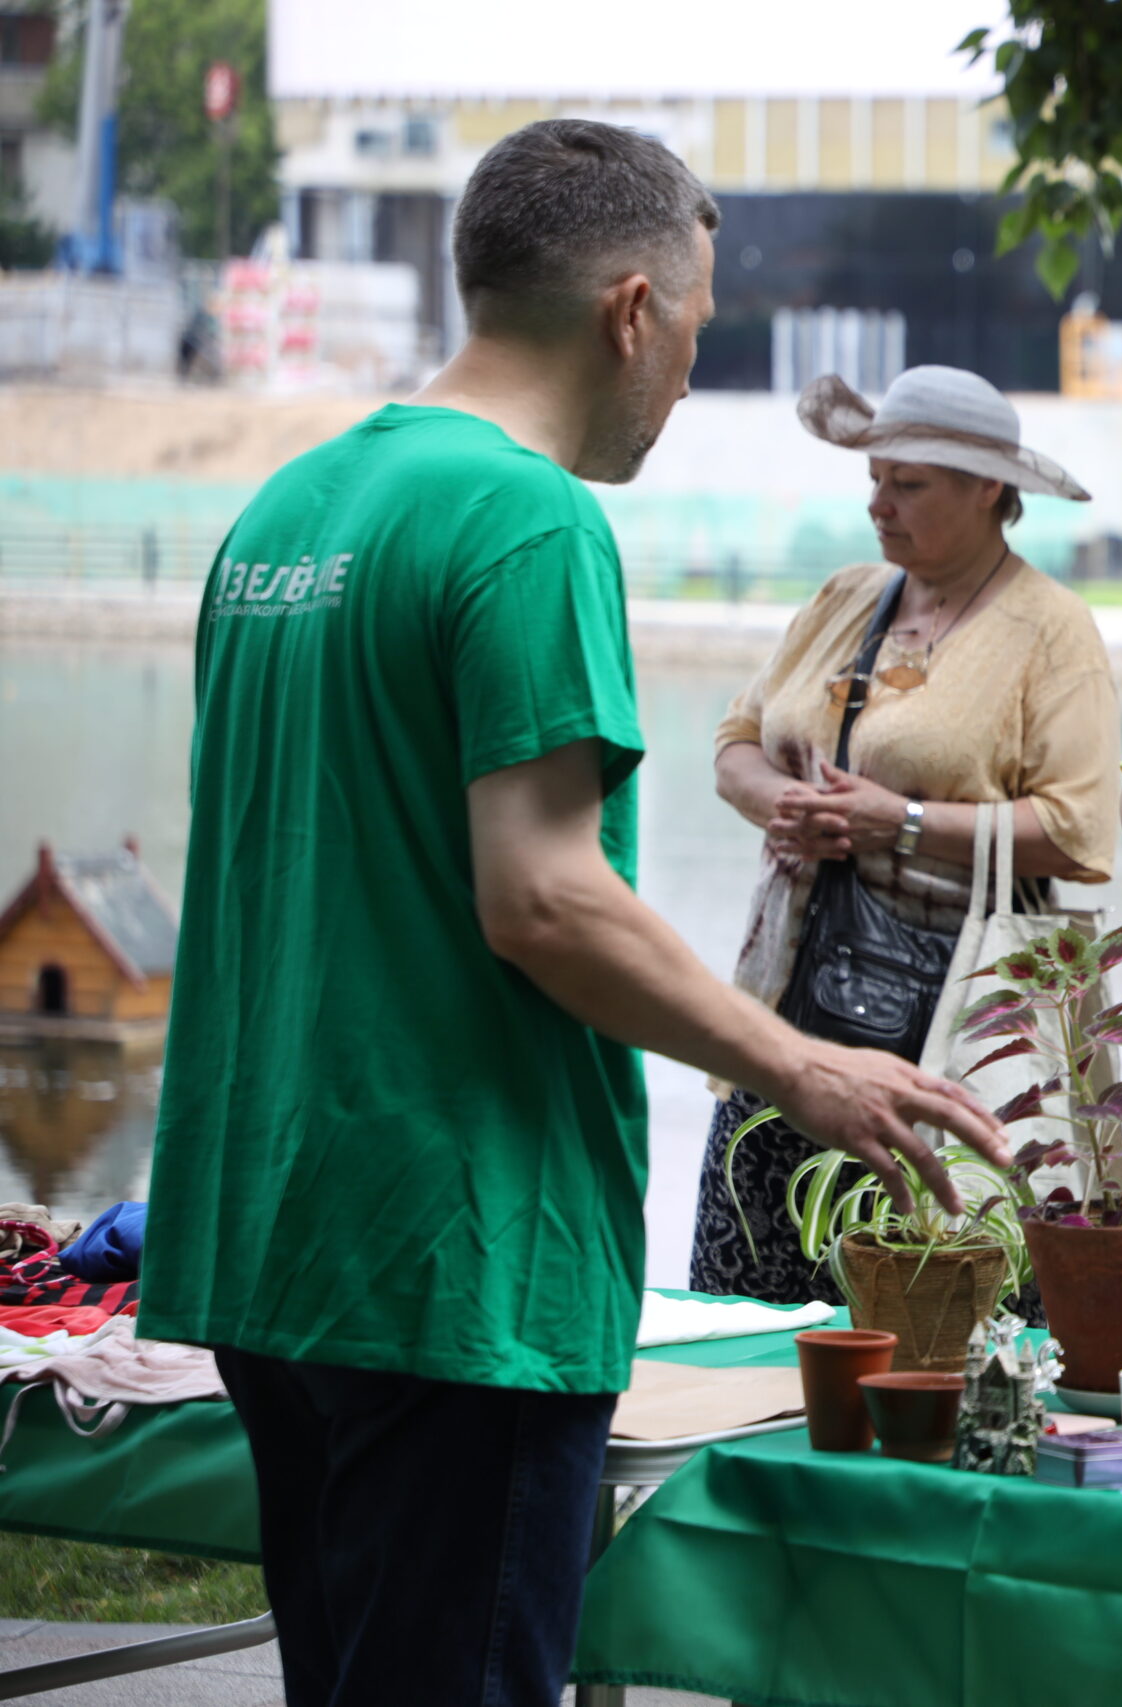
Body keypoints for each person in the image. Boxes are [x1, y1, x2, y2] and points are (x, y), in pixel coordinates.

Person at [139, 121, 1005, 1707]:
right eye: (693, 330)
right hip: (451, 1260)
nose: (685, 376)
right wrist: (803, 1065)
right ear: (629, 310)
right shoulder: (530, 522)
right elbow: (542, 894)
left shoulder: (285, 514)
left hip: (271, 1240)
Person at [692, 365, 1120, 1301]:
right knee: (748, 1299)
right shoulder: (846, 596)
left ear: (989, 491)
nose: (879, 503)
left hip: (954, 1016)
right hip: (788, 997)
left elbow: (1081, 830)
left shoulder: (1051, 630)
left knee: (916, 1305)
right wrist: (781, 803)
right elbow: (733, 743)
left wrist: (902, 820)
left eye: (908, 484)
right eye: (875, 478)